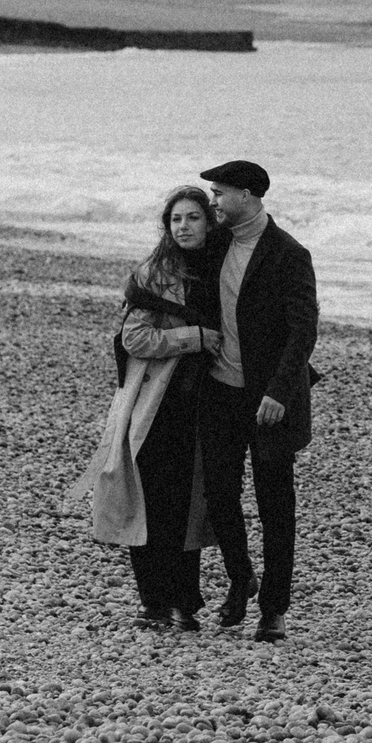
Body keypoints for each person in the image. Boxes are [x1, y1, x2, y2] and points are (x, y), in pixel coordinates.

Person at [76, 187, 222, 628]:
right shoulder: (155, 273)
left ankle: (186, 601)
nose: (184, 227)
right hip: (156, 404)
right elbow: (133, 339)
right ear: (167, 225)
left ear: (209, 222)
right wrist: (192, 338)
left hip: (205, 401)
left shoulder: (223, 270)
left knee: (190, 503)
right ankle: (153, 602)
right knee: (149, 499)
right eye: (176, 219)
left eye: (193, 218)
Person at [197, 159, 318, 643]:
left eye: (221, 193)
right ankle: (239, 576)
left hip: (270, 401)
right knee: (220, 493)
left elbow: (303, 330)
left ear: (247, 195)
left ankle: (274, 609)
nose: (214, 202)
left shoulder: (289, 254)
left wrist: (279, 392)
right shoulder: (216, 244)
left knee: (275, 506)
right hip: (221, 391)